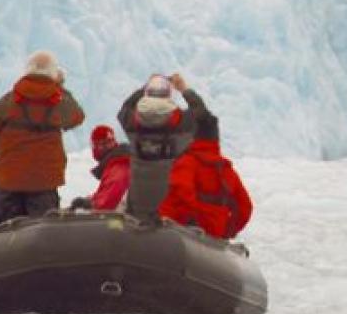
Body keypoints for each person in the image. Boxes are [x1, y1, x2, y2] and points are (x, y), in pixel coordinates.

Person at [0, 50, 85, 219]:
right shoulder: (58, 101)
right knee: (42, 232)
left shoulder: (8, 101)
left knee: (9, 233)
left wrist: (4, 156)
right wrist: (59, 86)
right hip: (44, 182)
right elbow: (76, 117)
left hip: (10, 179)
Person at [117, 73, 208, 224]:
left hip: (138, 208)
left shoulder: (133, 123)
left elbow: (125, 110)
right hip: (169, 211)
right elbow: (200, 112)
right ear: (168, 95)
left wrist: (144, 87)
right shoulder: (182, 124)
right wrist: (184, 89)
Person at [159, 114, 253, 239]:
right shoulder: (227, 171)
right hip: (214, 233)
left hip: (177, 231)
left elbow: (182, 190)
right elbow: (245, 207)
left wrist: (194, 219)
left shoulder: (187, 162)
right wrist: (227, 232)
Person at [71, 125, 132, 211]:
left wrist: (88, 205)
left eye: (95, 145)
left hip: (122, 221)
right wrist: (89, 200)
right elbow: (106, 193)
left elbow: (107, 204)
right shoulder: (118, 164)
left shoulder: (119, 168)